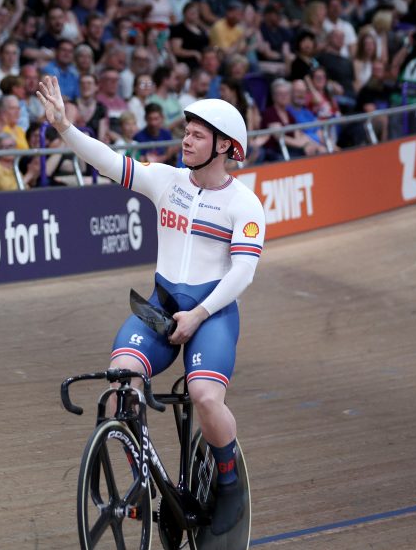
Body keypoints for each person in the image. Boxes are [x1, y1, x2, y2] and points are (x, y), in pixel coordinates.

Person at [37, 75, 264, 537]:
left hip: (211, 316)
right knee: (122, 377)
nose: (187, 139)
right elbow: (109, 162)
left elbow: (242, 273)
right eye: (187, 131)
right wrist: (64, 126)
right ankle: (139, 475)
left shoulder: (245, 204)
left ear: (224, 147)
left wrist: (198, 314)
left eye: (198, 135)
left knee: (203, 395)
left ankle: (229, 482)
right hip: (160, 310)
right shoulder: (167, 181)